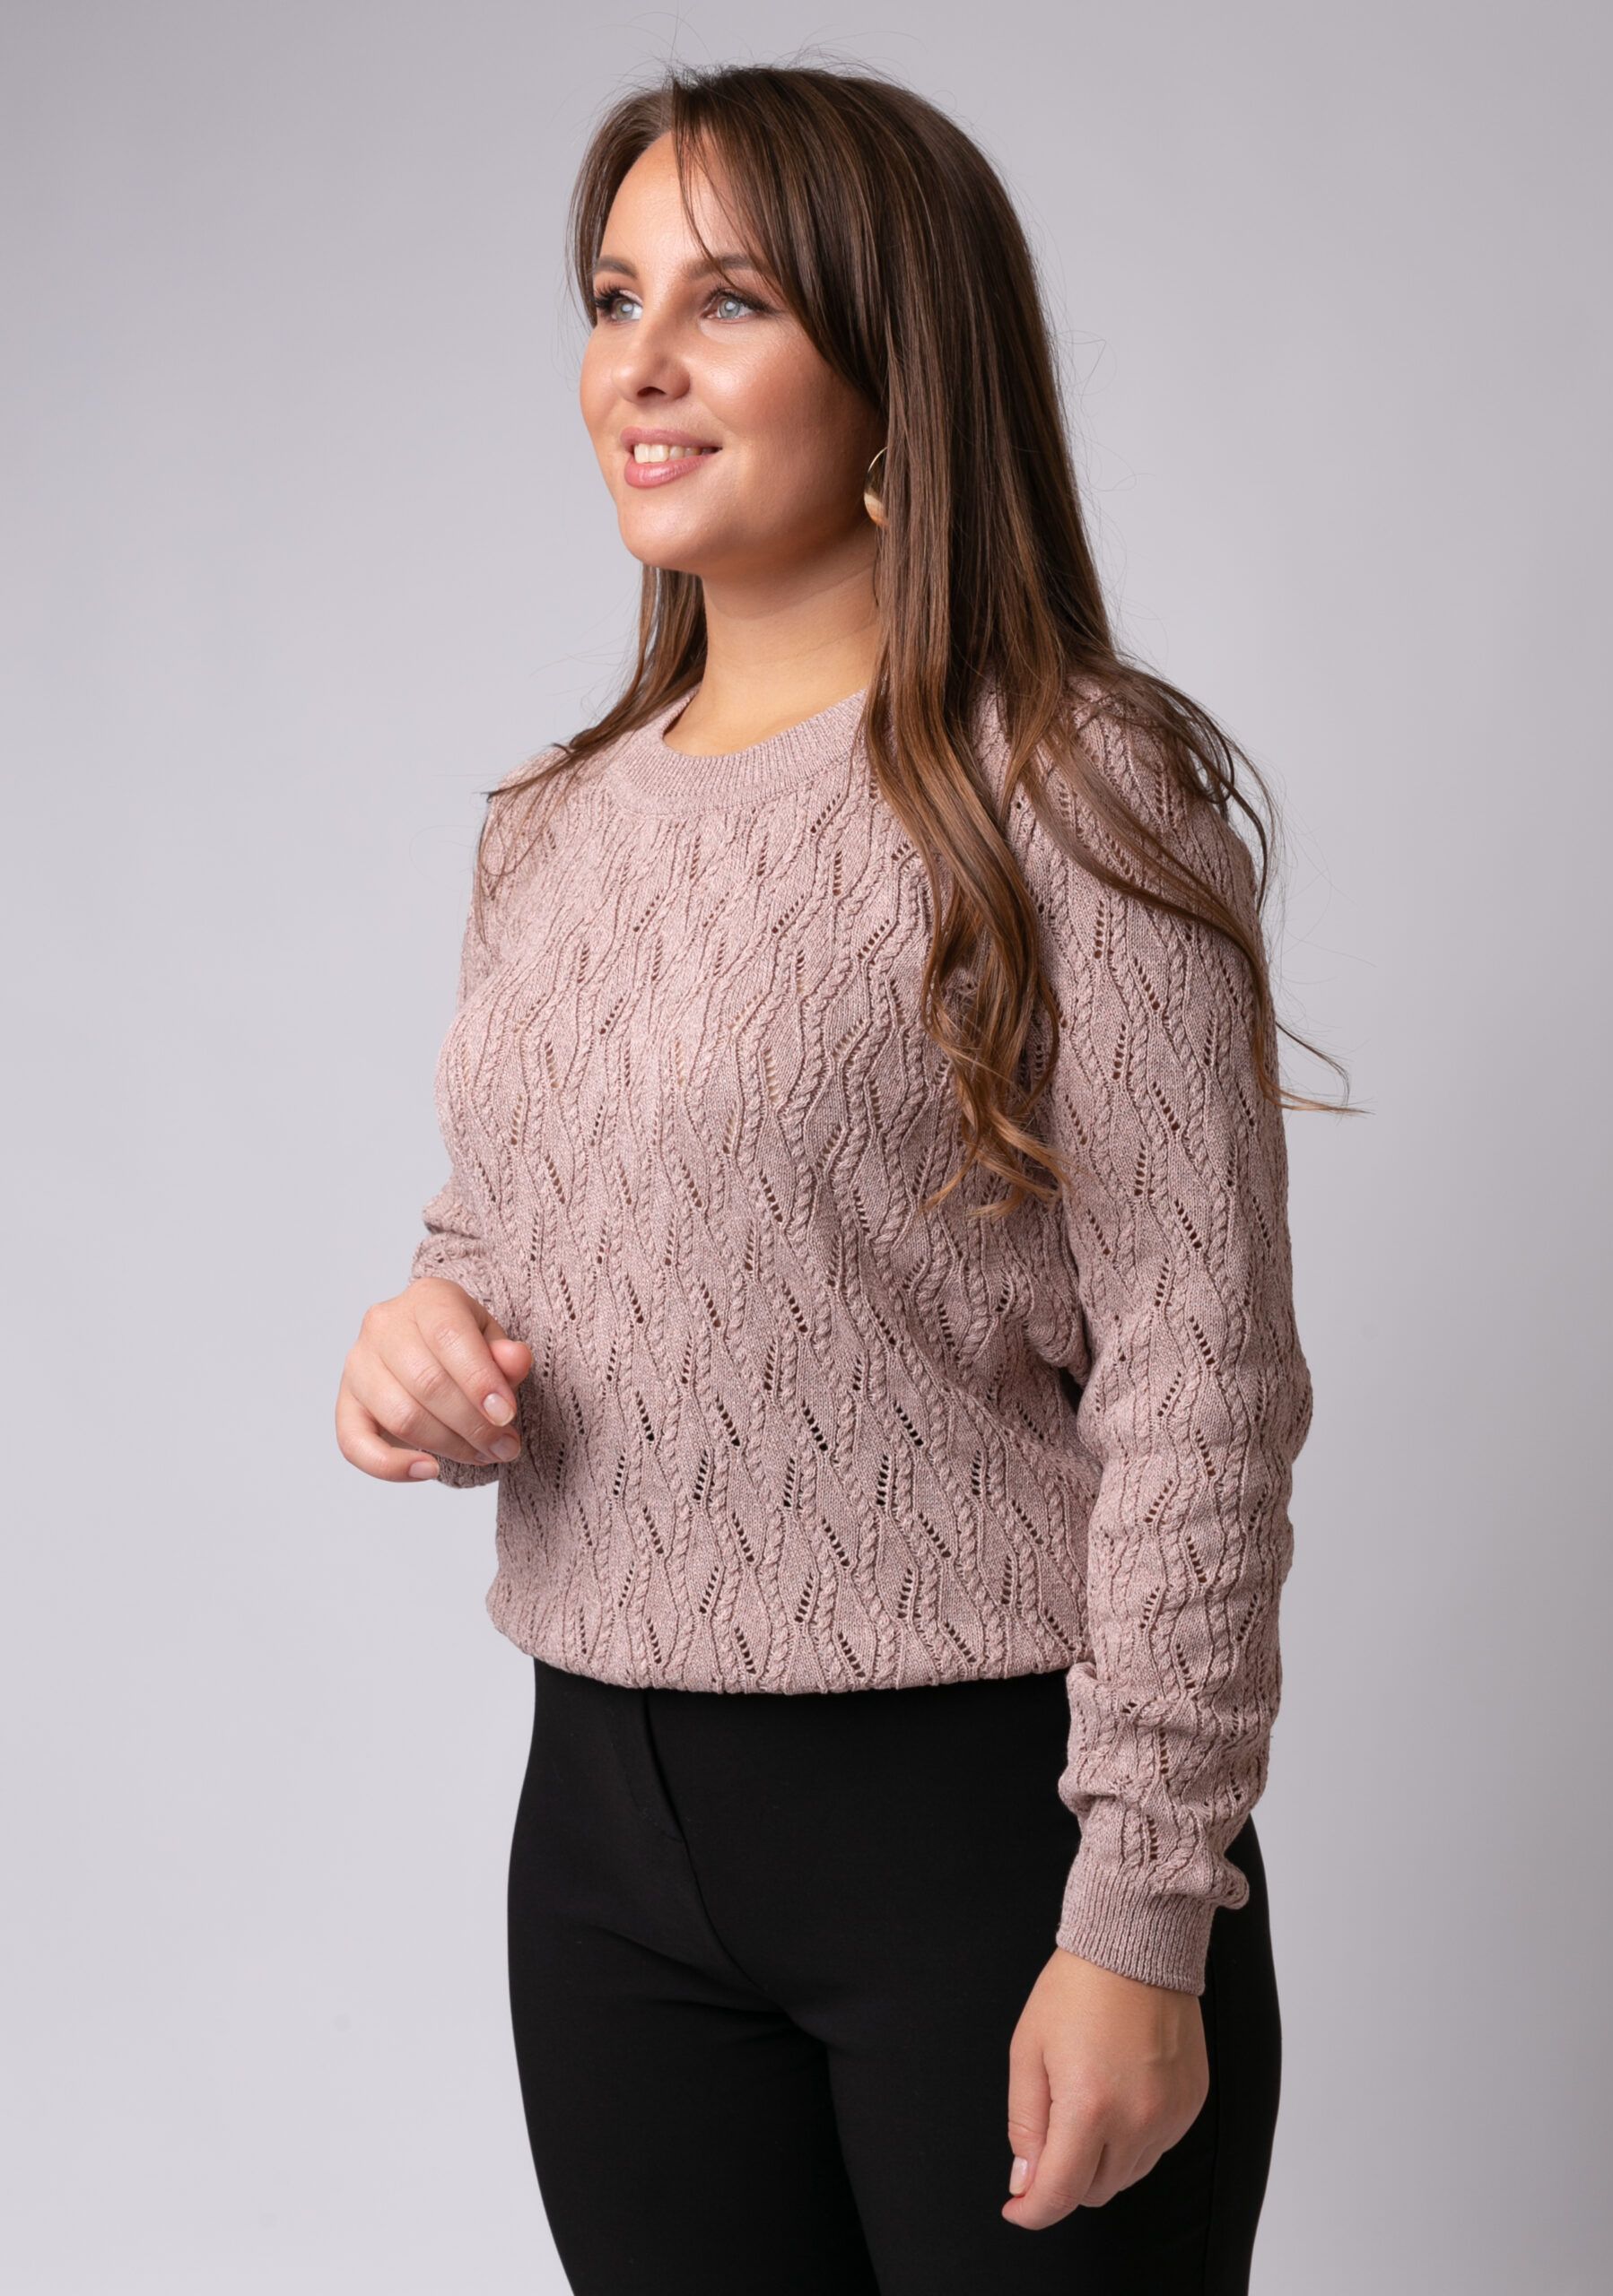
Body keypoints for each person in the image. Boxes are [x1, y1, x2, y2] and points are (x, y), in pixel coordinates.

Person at [336, 57, 1337, 2296]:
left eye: (732, 301)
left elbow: (1204, 1385)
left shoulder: (1071, 787)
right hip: (603, 1836)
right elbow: (511, 1223)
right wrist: (422, 1342)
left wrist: (1139, 1912)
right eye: (615, 297)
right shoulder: (551, 824)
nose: (639, 364)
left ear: (899, 368)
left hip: (980, 1836)